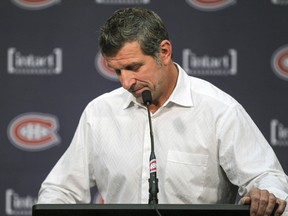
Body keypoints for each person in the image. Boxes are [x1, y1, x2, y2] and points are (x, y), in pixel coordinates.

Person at [38, 7, 288, 216]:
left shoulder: (218, 110)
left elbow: (267, 178)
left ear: (164, 52)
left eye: (134, 67)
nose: (126, 82)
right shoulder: (99, 113)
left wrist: (265, 193)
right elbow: (60, 191)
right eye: (117, 71)